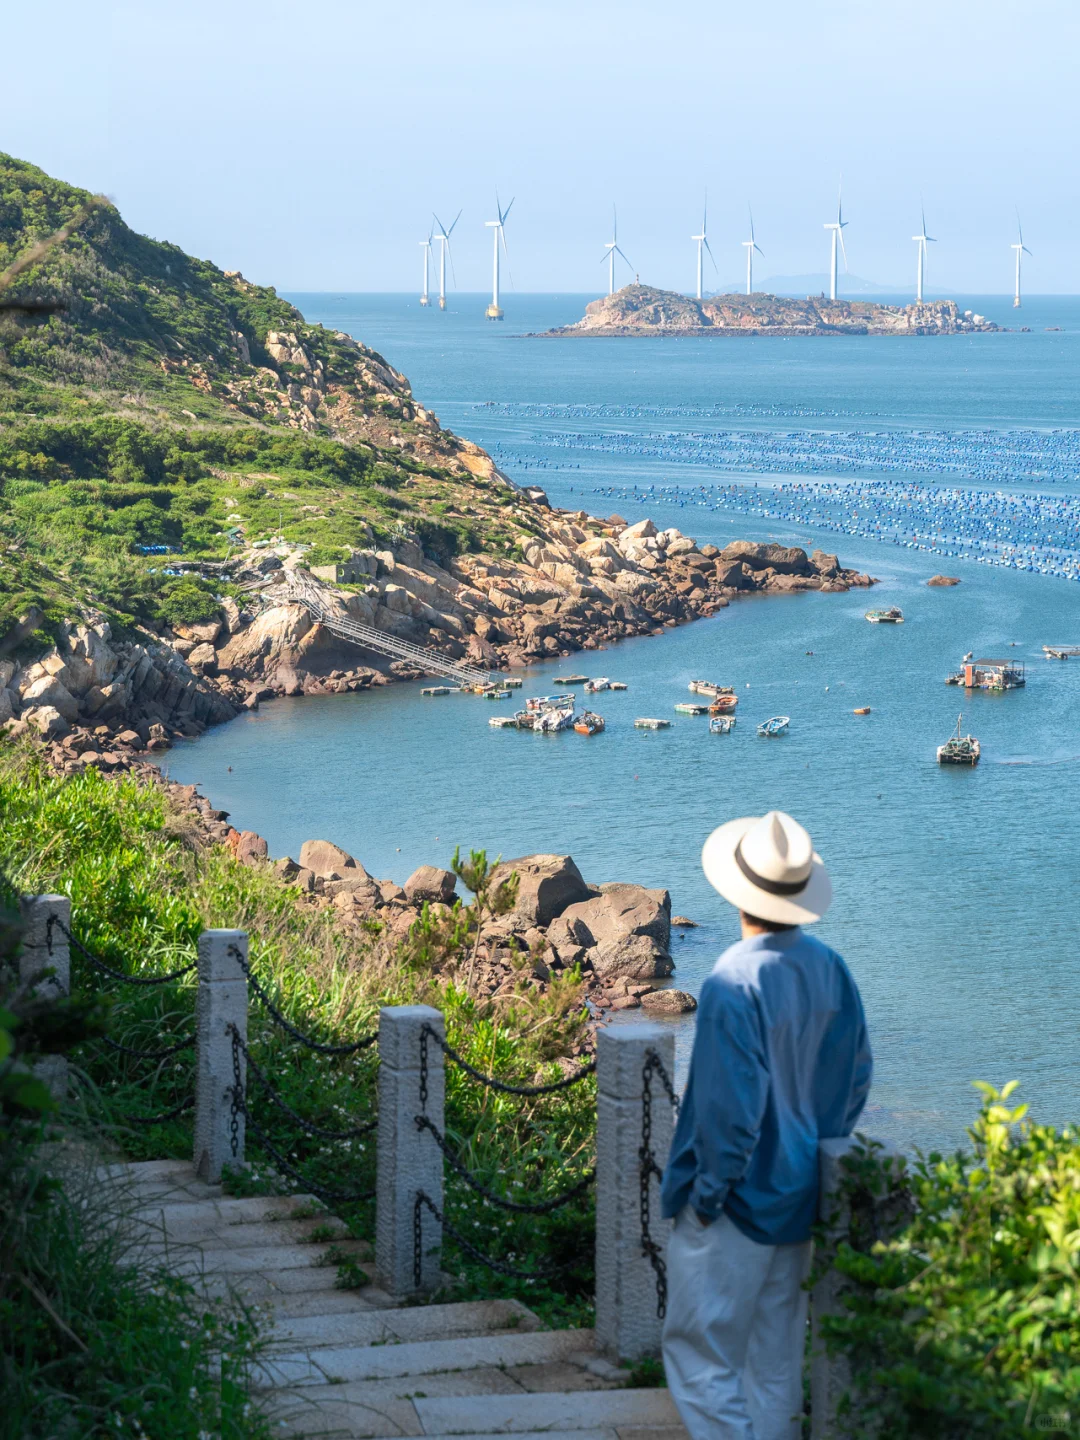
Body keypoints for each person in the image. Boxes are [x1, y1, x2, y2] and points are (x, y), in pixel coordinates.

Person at [660, 810, 872, 1440]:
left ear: (738, 892)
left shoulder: (731, 980)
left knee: (699, 1358)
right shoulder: (830, 968)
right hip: (800, 1195)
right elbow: (856, 1078)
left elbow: (732, 1110)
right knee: (775, 1364)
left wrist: (706, 1196)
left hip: (735, 1204)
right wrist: (813, 1150)